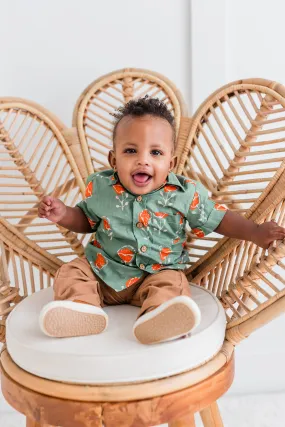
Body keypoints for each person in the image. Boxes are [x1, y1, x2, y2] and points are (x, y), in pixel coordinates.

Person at [38, 97, 285, 345]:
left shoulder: (184, 194)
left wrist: (254, 231)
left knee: (173, 283)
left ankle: (159, 317)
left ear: (171, 162)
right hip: (103, 271)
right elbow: (86, 220)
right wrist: (64, 214)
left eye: (155, 152)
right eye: (130, 150)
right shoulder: (101, 187)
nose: (143, 160)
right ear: (114, 160)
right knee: (71, 271)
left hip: (156, 274)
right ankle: (82, 309)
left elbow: (217, 218)